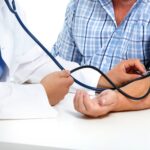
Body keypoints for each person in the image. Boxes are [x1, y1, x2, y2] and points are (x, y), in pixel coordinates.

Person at [51, 0, 150, 117]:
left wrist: (115, 100)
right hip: (75, 119)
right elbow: (57, 70)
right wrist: (103, 80)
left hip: (133, 123)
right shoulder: (79, 5)